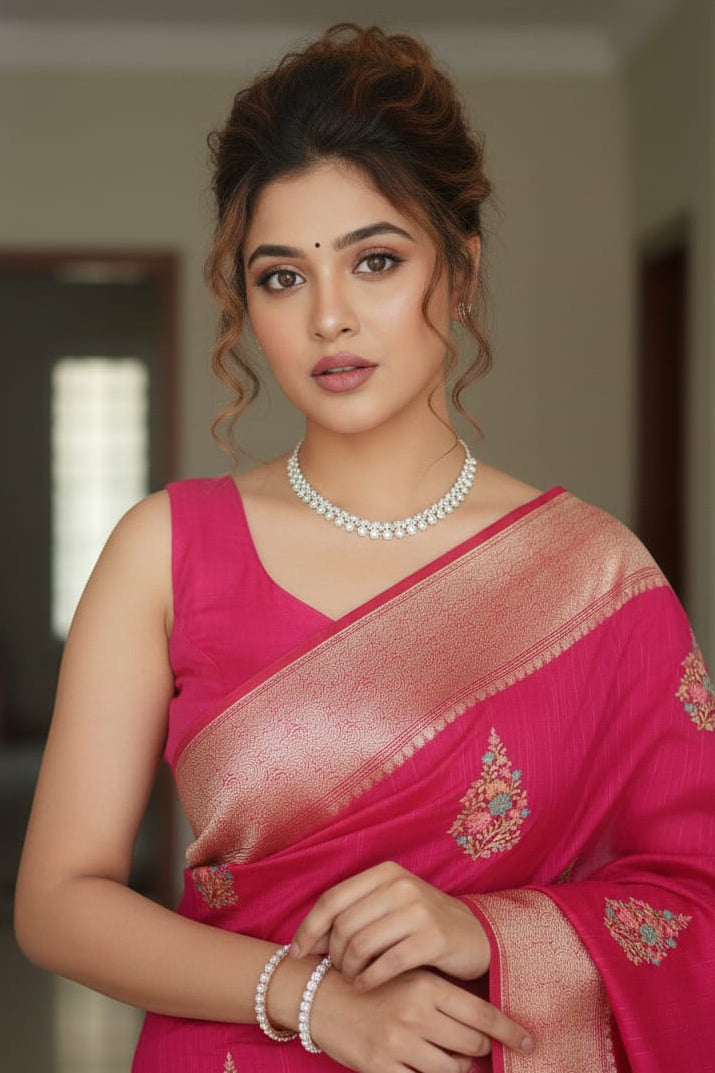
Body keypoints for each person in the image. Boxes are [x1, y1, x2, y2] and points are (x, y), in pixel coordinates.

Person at [14, 22, 715, 1073]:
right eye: (281, 277)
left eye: (374, 261)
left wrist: (486, 930)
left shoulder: (595, 577)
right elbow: (57, 902)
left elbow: (694, 898)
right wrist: (309, 998)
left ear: (460, 268)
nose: (328, 317)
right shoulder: (166, 548)